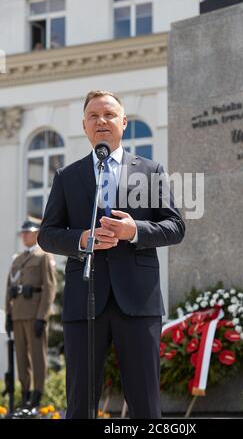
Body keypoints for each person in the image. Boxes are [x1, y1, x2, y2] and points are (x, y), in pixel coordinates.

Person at [38, 90, 185, 419]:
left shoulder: (149, 171)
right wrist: (82, 239)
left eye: (108, 114)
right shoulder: (67, 177)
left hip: (138, 301)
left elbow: (175, 227)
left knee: (145, 403)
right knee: (80, 404)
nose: (101, 121)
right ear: (84, 126)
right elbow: (46, 235)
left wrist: (134, 231)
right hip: (84, 302)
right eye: (93, 116)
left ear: (123, 122)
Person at [5, 218, 57, 409]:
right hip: (18, 313)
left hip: (35, 314)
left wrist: (42, 316)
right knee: (21, 358)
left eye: (28, 232)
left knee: (37, 357)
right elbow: (9, 288)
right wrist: (8, 315)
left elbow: (50, 287)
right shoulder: (17, 259)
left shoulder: (43, 256)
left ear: (36, 234)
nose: (25, 235)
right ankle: (25, 395)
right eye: (23, 233)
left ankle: (37, 395)